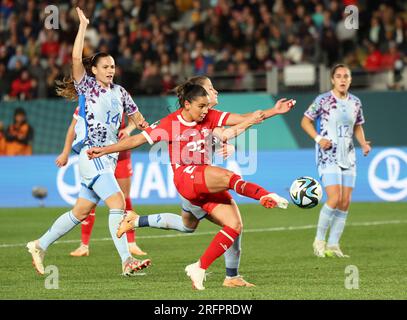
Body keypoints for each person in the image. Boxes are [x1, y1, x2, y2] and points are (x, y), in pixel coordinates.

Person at [87, 82, 295, 290]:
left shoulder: (210, 116)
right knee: (229, 177)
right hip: (186, 178)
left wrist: (274, 111)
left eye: (207, 106)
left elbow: (242, 118)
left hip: (203, 180)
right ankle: (265, 195)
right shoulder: (169, 123)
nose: (206, 111)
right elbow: (136, 140)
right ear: (187, 104)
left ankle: (208, 270)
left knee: (232, 225)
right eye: (201, 106)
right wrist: (106, 150)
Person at [26, 7, 151, 276]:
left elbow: (139, 118)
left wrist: (143, 128)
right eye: (105, 66)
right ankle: (127, 261)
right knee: (118, 204)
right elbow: (74, 57)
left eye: (113, 66)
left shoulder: (121, 92)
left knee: (80, 211)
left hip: (109, 157)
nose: (110, 70)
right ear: (93, 69)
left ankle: (39, 244)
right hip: (92, 157)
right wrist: (82, 26)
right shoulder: (88, 87)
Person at [301, 64, 371, 258]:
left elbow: (357, 125)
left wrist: (363, 143)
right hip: (328, 154)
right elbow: (305, 121)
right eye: (338, 76)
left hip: (348, 155)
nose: (342, 79)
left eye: (346, 76)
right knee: (335, 198)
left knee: (346, 201)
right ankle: (319, 241)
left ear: (350, 80)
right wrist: (318, 139)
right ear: (332, 79)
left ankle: (333, 245)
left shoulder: (355, 102)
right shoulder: (322, 100)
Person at [56, 108, 147, 257]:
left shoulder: (121, 94)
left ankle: (131, 244)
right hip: (97, 154)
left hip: (121, 153)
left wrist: (129, 129)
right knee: (90, 200)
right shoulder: (87, 98)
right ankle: (84, 245)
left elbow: (135, 118)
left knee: (124, 197)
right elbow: (73, 126)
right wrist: (65, 152)